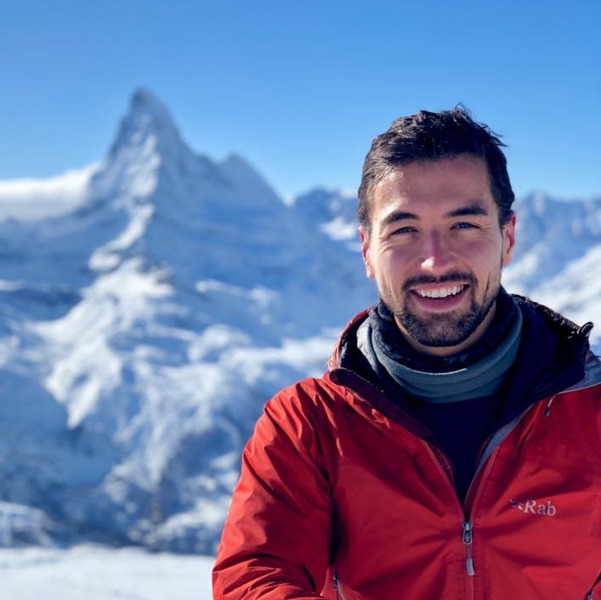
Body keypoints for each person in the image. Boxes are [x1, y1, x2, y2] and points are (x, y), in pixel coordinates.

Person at [212, 107, 601, 599]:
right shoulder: (308, 427)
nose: (435, 260)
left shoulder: (591, 409)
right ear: (367, 251)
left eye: (464, 224)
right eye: (403, 230)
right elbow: (256, 576)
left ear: (507, 238)